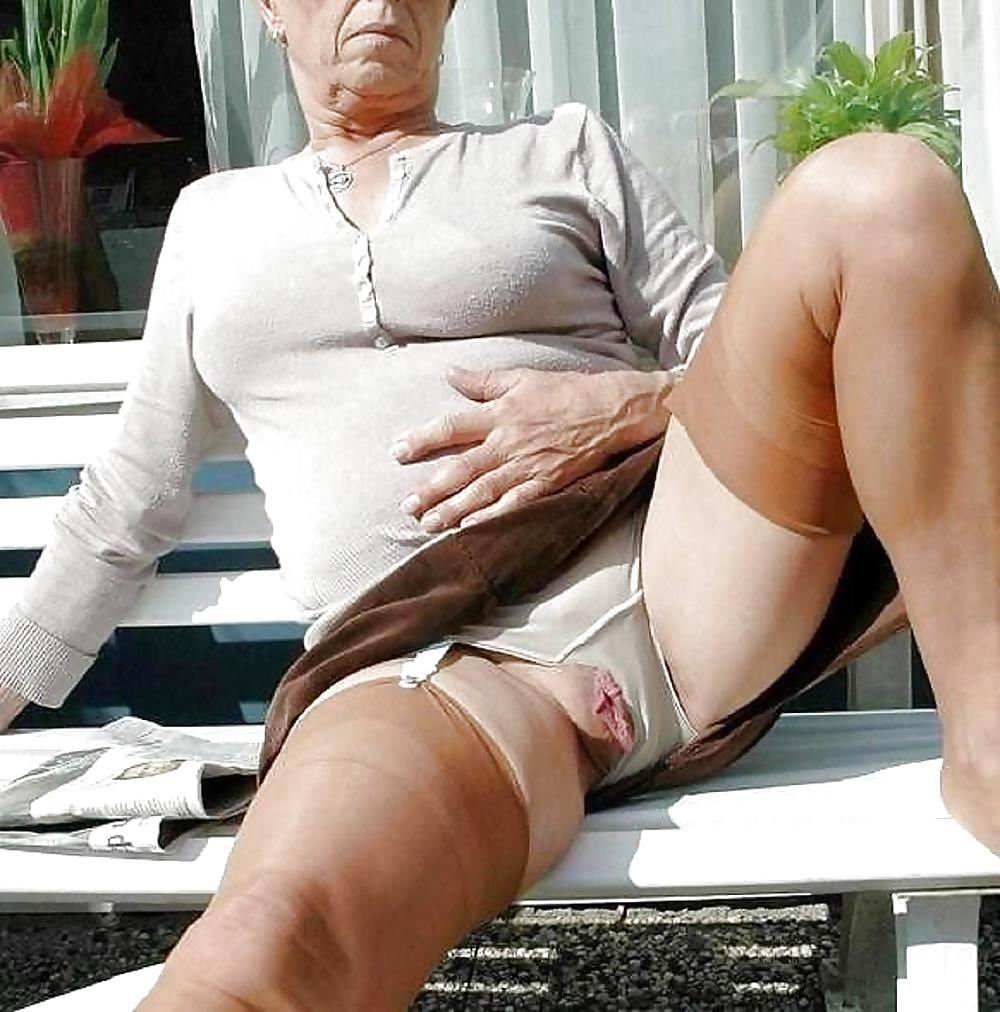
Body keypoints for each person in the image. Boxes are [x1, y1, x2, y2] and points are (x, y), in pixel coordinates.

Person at [1, 0, 997, 1007]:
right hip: (438, 667)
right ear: (268, 9)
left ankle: (989, 741)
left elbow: (743, 350)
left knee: (882, 188)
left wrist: (630, 402)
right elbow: (126, 504)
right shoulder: (212, 221)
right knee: (267, 944)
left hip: (689, 567)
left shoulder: (564, 151)